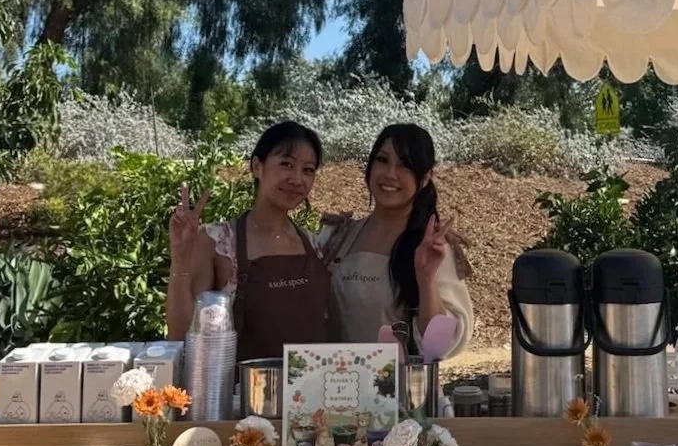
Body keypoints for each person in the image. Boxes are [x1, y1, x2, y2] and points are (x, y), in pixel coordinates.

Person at [166, 120, 331, 362]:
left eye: (308, 170)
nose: (297, 179)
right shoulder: (217, 241)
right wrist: (180, 258)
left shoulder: (311, 243)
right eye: (286, 164)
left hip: (308, 393)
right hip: (240, 395)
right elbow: (181, 335)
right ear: (257, 166)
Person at [318, 123, 473, 357]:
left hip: (407, 390)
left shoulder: (433, 248)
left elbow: (437, 347)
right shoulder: (336, 238)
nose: (390, 174)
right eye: (382, 160)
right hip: (339, 387)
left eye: (405, 165)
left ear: (425, 179)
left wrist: (426, 278)